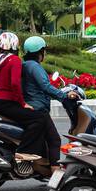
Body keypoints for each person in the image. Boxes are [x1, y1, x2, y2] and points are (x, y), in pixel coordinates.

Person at [0, 33, 53, 175]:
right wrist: (22, 104)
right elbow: (15, 84)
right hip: (6, 103)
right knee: (38, 118)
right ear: (15, 45)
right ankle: (24, 151)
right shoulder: (14, 60)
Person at [17, 36, 71, 174]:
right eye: (44, 51)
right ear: (39, 52)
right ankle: (56, 173)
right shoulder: (34, 66)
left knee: (47, 139)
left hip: (30, 105)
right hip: (38, 107)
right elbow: (45, 86)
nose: (44, 54)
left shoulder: (25, 64)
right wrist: (64, 96)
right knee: (54, 140)